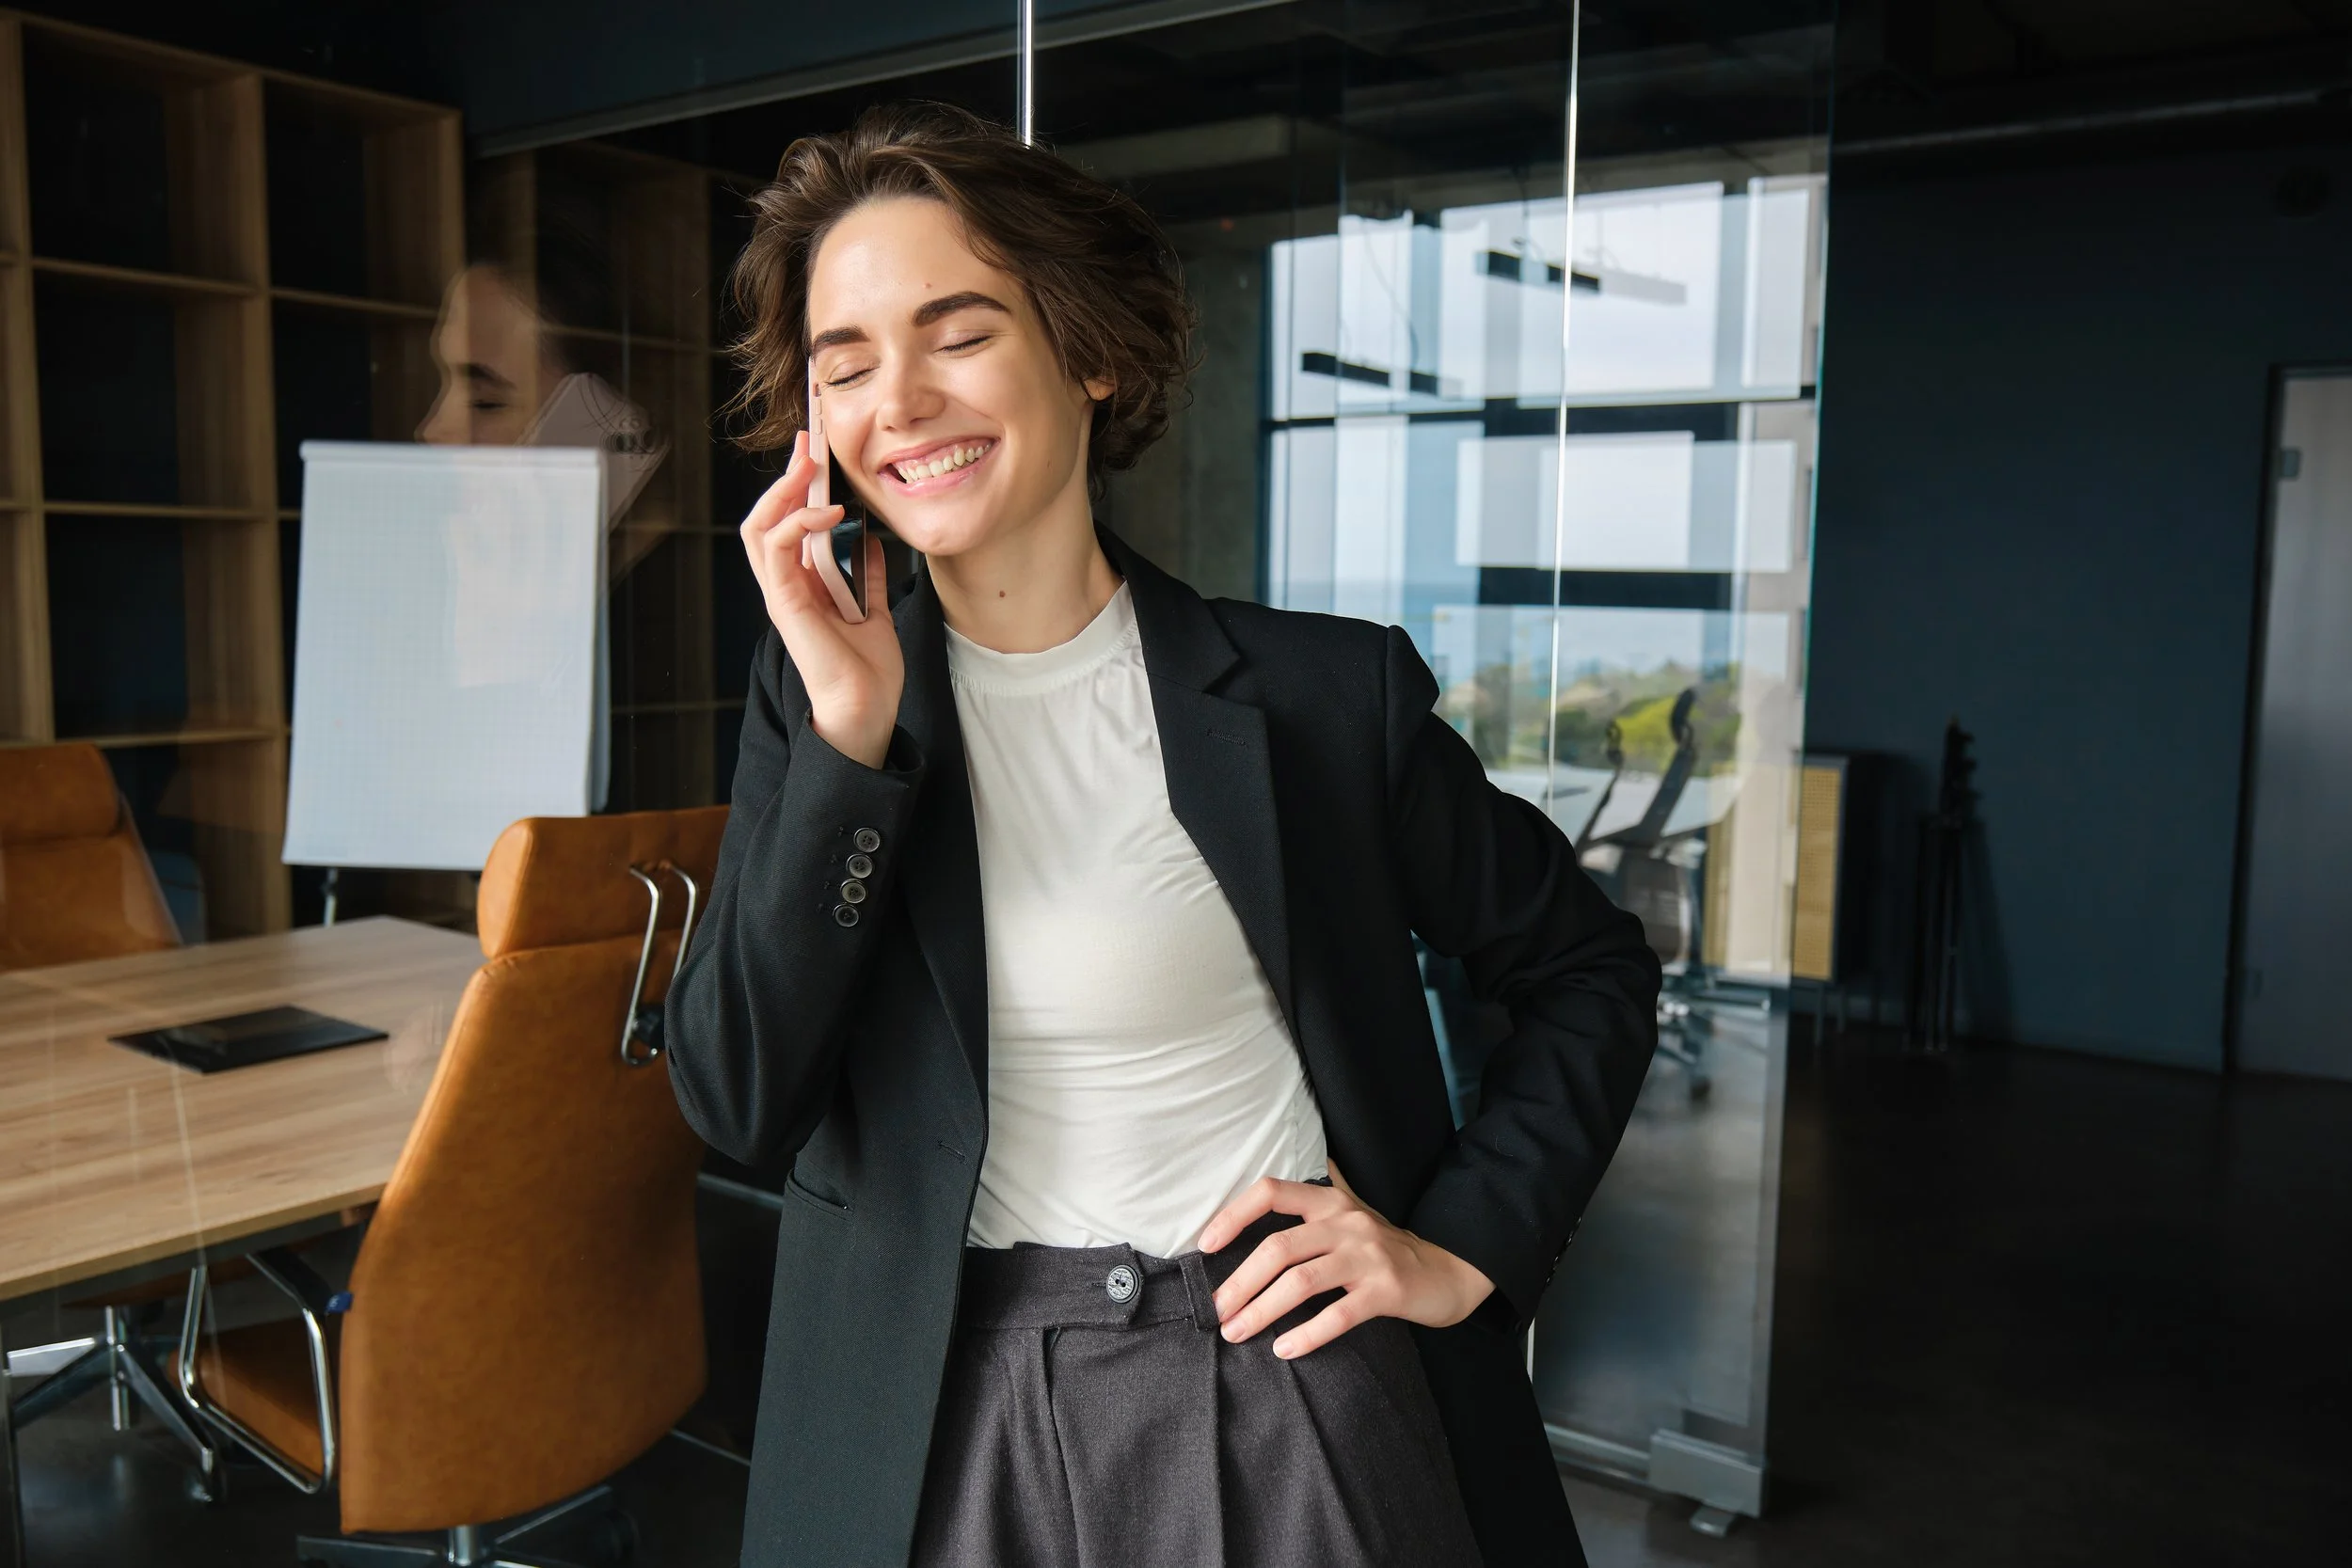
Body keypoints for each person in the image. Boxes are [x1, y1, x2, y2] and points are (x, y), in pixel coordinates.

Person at [666, 103, 1661, 1568]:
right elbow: (735, 1095)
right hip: (934, 1422)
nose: (902, 401)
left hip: (1277, 1391)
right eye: (848, 363)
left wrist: (1462, 1245)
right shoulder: (817, 697)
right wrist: (849, 742)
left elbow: (1590, 968)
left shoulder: (1323, 700)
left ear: (1090, 352)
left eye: (958, 331)